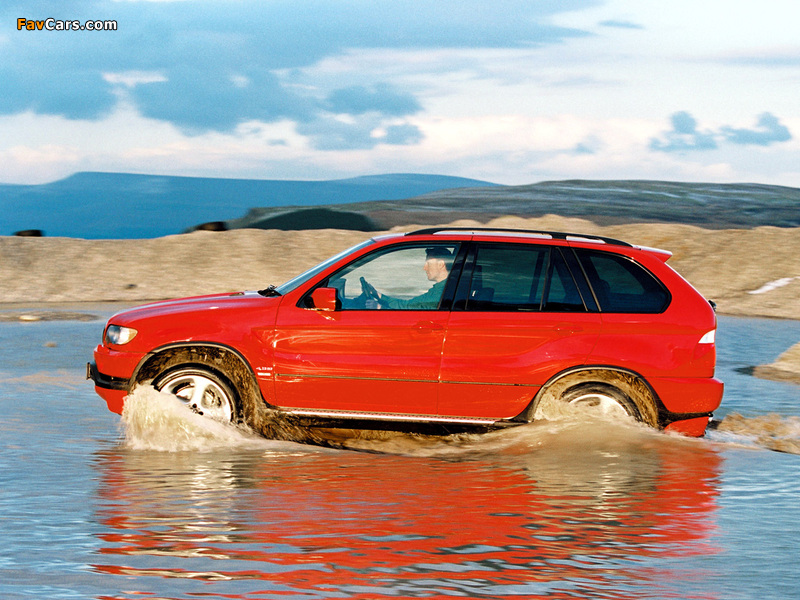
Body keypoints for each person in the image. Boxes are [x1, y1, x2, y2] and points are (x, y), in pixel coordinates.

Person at [361, 247, 453, 309]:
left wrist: (379, 307)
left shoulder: (440, 294)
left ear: (441, 264)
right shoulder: (444, 288)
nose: (424, 268)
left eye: (428, 263)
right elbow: (407, 306)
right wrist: (377, 295)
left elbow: (408, 310)